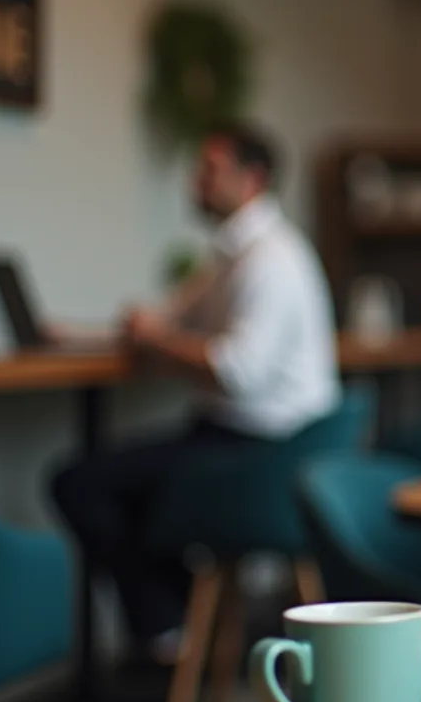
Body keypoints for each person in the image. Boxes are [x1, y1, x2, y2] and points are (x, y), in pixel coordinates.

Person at [51, 126, 339, 666]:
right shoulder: (233, 254)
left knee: (81, 482)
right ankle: (179, 623)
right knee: (113, 484)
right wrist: (71, 334)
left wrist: (156, 339)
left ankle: (171, 627)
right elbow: (164, 321)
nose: (195, 182)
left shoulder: (270, 261)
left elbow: (237, 370)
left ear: (252, 179)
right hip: (239, 439)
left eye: (210, 170)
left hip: (262, 453)